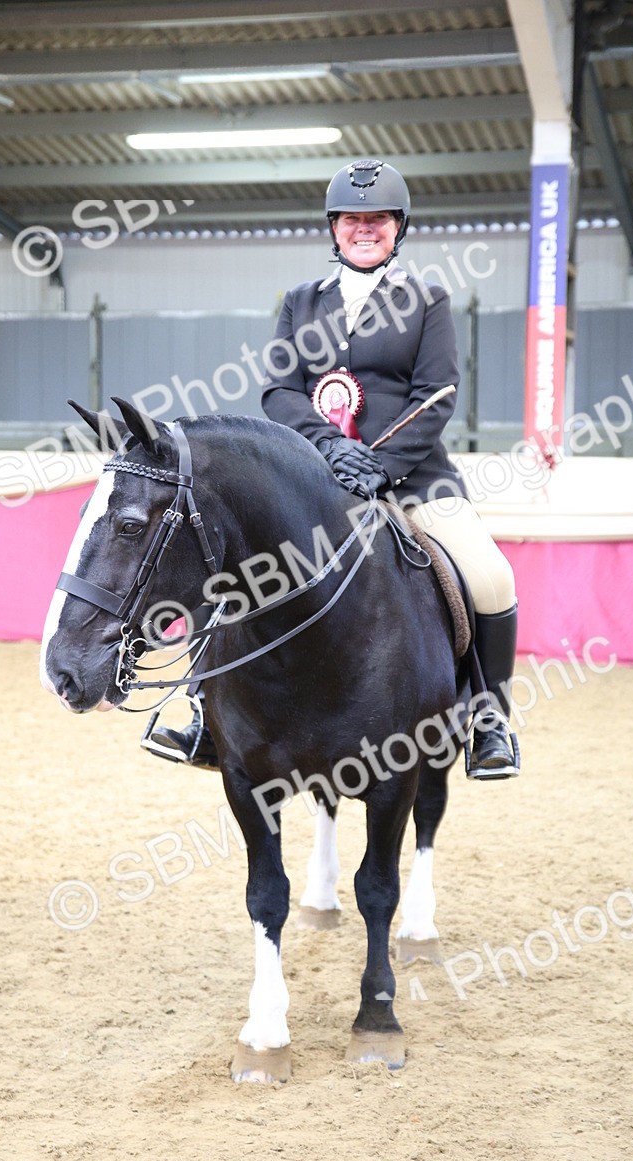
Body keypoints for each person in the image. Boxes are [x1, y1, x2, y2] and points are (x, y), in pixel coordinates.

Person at [149, 158, 519, 780]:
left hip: (412, 480)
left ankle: (488, 718)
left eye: (377, 219)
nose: (364, 229)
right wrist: (330, 447)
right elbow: (280, 392)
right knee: (234, 565)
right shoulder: (301, 303)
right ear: (335, 227)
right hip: (312, 479)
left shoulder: (427, 301)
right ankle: (198, 709)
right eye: (352, 219)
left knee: (492, 576)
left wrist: (380, 464)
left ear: (398, 227)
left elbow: (437, 394)